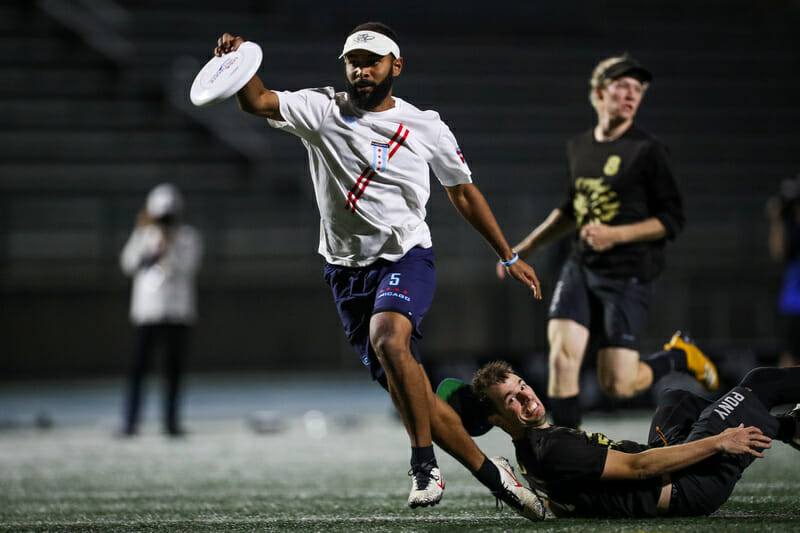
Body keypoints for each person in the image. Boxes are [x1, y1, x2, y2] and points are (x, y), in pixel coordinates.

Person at [212, 22, 544, 519]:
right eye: (353, 61)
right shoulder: (321, 108)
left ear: (396, 65)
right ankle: (495, 477)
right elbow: (256, 101)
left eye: (372, 60)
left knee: (389, 340)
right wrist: (236, 64)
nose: (361, 70)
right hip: (345, 271)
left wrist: (508, 253)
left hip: (406, 257)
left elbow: (462, 191)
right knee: (413, 394)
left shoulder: (425, 124)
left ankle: (422, 462)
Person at [496, 54, 716, 428]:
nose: (631, 95)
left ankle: (680, 357)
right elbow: (570, 209)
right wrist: (523, 249)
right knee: (562, 359)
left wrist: (615, 234)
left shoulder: (648, 151)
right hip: (581, 267)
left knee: (618, 384)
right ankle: (567, 462)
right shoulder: (579, 147)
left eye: (637, 90)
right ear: (599, 93)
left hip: (628, 273)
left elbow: (671, 220)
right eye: (622, 87)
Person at [469, 359, 800, 518]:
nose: (528, 397)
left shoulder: (530, 453)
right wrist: (719, 442)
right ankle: (782, 426)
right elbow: (641, 468)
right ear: (497, 419)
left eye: (522, 385)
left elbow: (566, 504)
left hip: (667, 466)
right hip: (693, 485)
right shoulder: (553, 448)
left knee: (675, 399)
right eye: (512, 399)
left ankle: (789, 428)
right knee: (760, 382)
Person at [119, 183, 203, 437]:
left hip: (178, 312)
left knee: (173, 370)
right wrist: (143, 234)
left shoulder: (188, 237)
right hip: (147, 312)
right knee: (138, 368)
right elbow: (128, 264)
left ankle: (171, 423)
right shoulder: (143, 235)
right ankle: (131, 422)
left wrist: (170, 243)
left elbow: (186, 268)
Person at [765, 174, 800, 367]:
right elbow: (777, 251)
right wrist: (776, 219)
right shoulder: (790, 226)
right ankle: (787, 396)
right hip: (795, 302)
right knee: (790, 354)